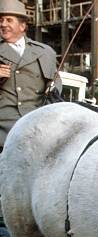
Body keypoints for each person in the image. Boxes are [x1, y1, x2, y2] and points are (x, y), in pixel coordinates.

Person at [0, 0, 59, 148]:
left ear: (22, 26)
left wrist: (53, 88)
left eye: (9, 20)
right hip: (3, 127)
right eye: (1, 20)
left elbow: (56, 80)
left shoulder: (45, 52)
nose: (3, 24)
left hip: (36, 124)